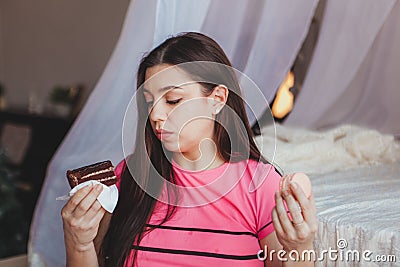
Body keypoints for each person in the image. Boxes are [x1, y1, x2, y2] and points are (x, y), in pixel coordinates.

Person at [61, 32, 318, 267]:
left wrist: (300, 248)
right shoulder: (129, 176)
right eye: (149, 102)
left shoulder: (260, 186)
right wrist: (78, 243)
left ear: (217, 100)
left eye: (173, 100)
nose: (156, 115)